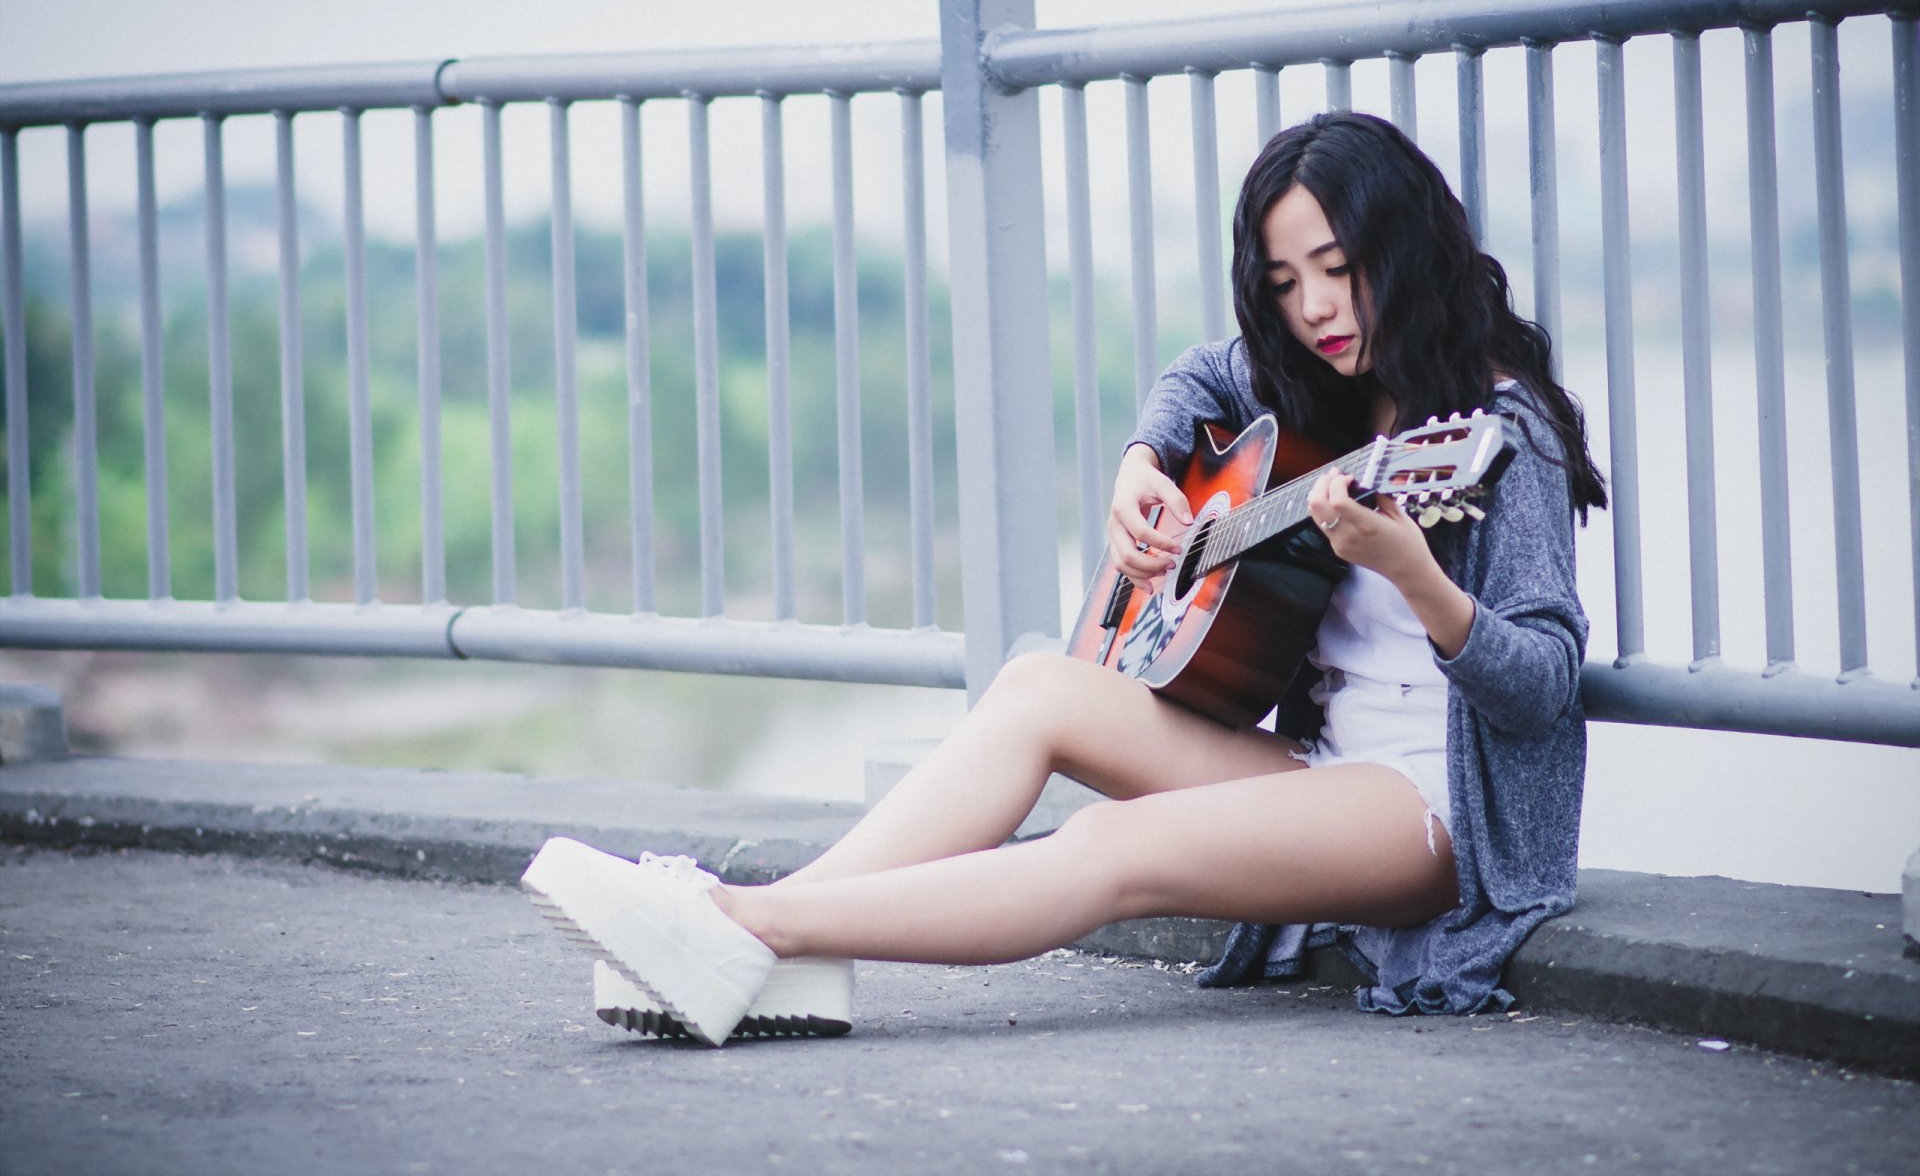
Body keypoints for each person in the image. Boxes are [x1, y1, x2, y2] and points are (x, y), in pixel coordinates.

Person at [521, 110, 1609, 1047]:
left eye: (1338, 268)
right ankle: (763, 942)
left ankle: (742, 926)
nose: (1317, 309)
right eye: (1286, 284)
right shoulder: (1315, 383)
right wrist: (1141, 462)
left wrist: (1418, 578)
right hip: (1322, 769)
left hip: (1434, 814)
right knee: (1040, 683)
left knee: (1110, 845)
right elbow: (1196, 376)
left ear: (1405, 251)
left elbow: (1543, 684)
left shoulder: (1502, 432)